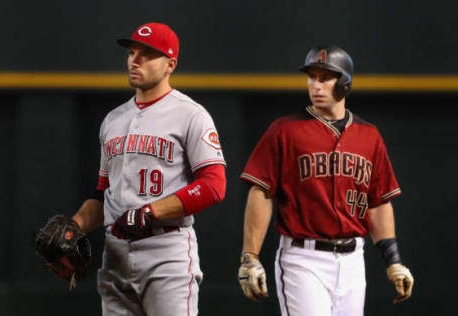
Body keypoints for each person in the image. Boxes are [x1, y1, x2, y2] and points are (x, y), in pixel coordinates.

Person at [237, 45, 414, 316]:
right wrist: (250, 256)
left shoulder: (370, 135)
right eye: (311, 77)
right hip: (302, 259)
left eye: (325, 78)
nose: (315, 85)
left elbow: (377, 203)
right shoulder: (284, 130)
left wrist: (394, 261)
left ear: (344, 83)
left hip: (354, 260)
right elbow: (261, 191)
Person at [71, 22, 227, 316]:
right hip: (115, 252)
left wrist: (150, 212)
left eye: (147, 54)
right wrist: (73, 228)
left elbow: (213, 186)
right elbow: (103, 193)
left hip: (166, 250)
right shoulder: (113, 120)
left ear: (170, 64)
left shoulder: (191, 115)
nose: (135, 60)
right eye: (132, 52)